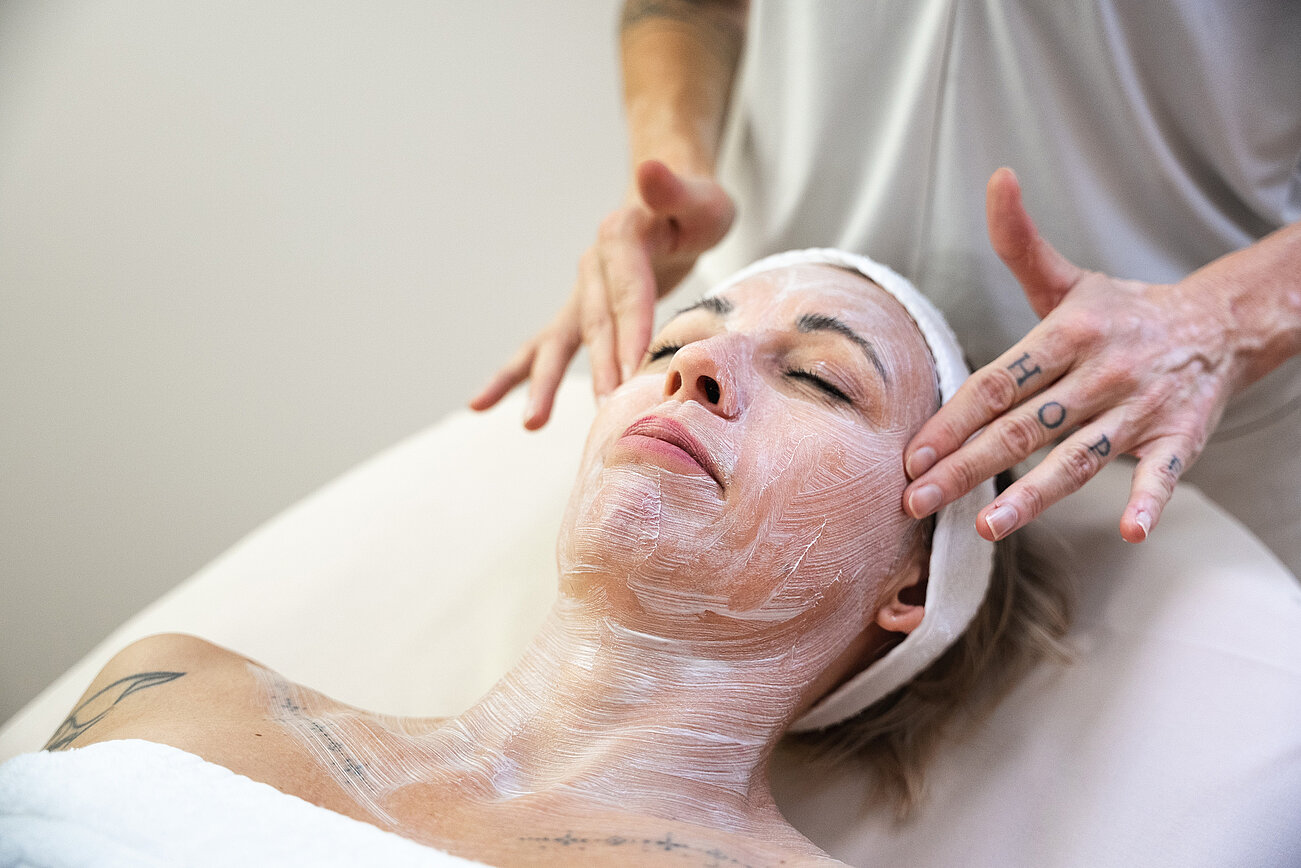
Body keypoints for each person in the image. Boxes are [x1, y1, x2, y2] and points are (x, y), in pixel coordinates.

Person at [4, 254, 1067, 866]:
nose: (697, 363)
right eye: (666, 347)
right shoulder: (171, 686)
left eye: (822, 380)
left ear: (911, 584)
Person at [470, 1, 1301, 575]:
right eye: (683, 342)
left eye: (819, 377)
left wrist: (1223, 322)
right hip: (774, 260)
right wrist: (676, 155)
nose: (694, 371)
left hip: (1175, 404)